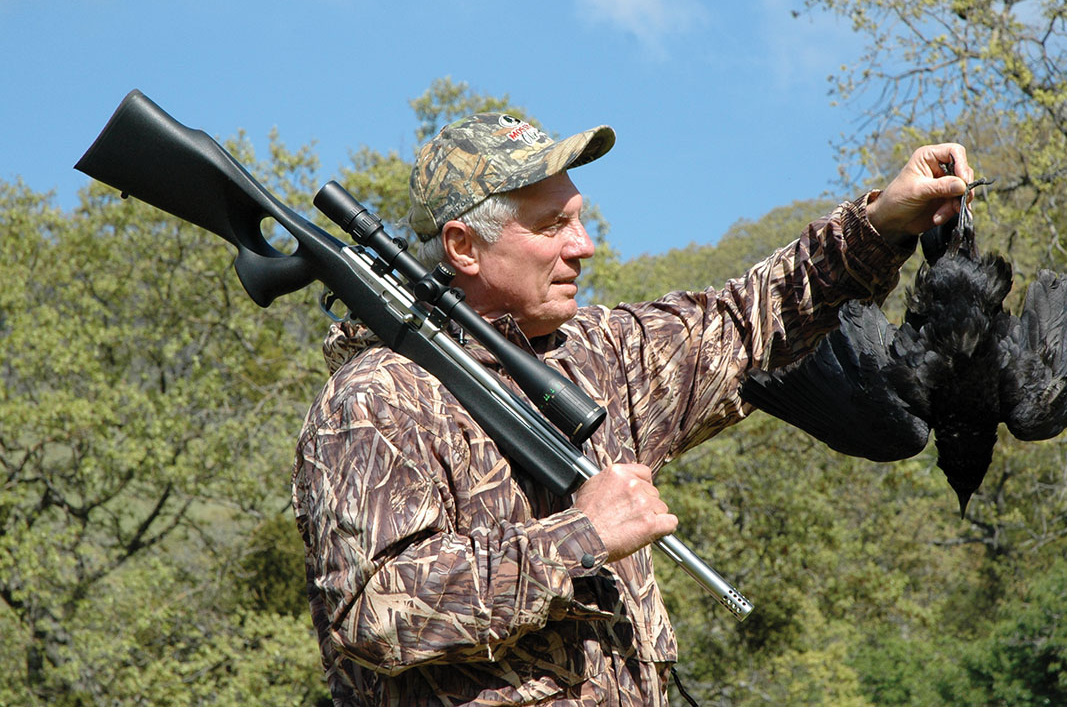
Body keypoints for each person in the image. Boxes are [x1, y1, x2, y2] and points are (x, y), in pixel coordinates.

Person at [292, 111, 973, 706]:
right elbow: (371, 613)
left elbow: (745, 322)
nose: (583, 245)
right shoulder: (376, 398)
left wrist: (882, 222)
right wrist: (580, 537)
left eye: (578, 218)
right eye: (552, 225)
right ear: (463, 247)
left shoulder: (600, 351)